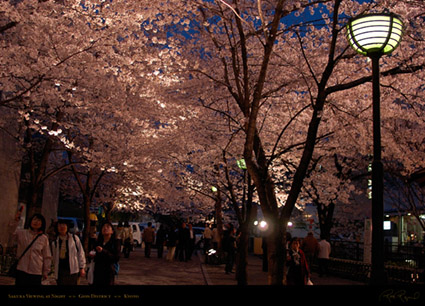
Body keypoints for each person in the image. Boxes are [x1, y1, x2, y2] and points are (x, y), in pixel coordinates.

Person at [8, 211, 52, 286]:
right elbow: (11, 232)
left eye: (38, 220)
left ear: (42, 224)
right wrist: (15, 221)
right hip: (22, 269)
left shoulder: (44, 238)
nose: (36, 222)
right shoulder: (22, 233)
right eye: (34, 219)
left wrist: (46, 271)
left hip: (36, 271)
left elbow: (46, 256)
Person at [51, 219, 86, 285]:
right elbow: (54, 257)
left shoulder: (74, 239)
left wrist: (82, 267)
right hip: (60, 272)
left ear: (67, 227)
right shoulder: (55, 242)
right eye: (60, 225)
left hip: (73, 270)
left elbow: (80, 253)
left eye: (64, 225)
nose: (62, 227)